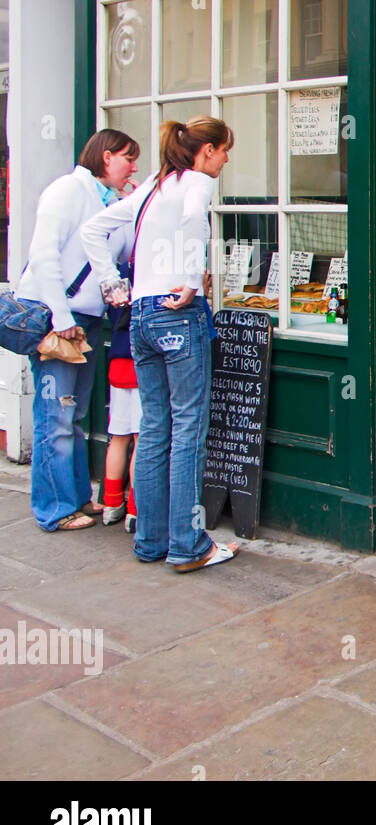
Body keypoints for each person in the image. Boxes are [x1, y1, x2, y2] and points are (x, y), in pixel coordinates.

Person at [82, 116, 240, 572]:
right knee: (188, 429)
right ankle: (189, 545)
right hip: (178, 313)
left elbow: (94, 230)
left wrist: (113, 285)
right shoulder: (195, 182)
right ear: (206, 150)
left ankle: (150, 541)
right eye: (224, 150)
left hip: (142, 315)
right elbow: (194, 222)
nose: (226, 159)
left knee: (153, 429)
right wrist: (192, 280)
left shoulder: (153, 182)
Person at [16, 129, 139, 531]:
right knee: (56, 416)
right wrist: (61, 316)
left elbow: (122, 257)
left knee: (76, 415)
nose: (133, 166)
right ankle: (53, 510)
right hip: (60, 320)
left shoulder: (109, 202)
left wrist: (129, 208)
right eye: (127, 158)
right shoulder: (67, 191)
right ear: (105, 157)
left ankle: (76, 500)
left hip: (86, 320)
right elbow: (44, 255)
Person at [102, 302, 140, 531]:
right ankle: (135, 511)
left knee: (118, 437)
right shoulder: (151, 279)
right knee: (141, 440)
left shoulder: (117, 279)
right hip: (141, 363)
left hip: (117, 361)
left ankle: (111, 503)